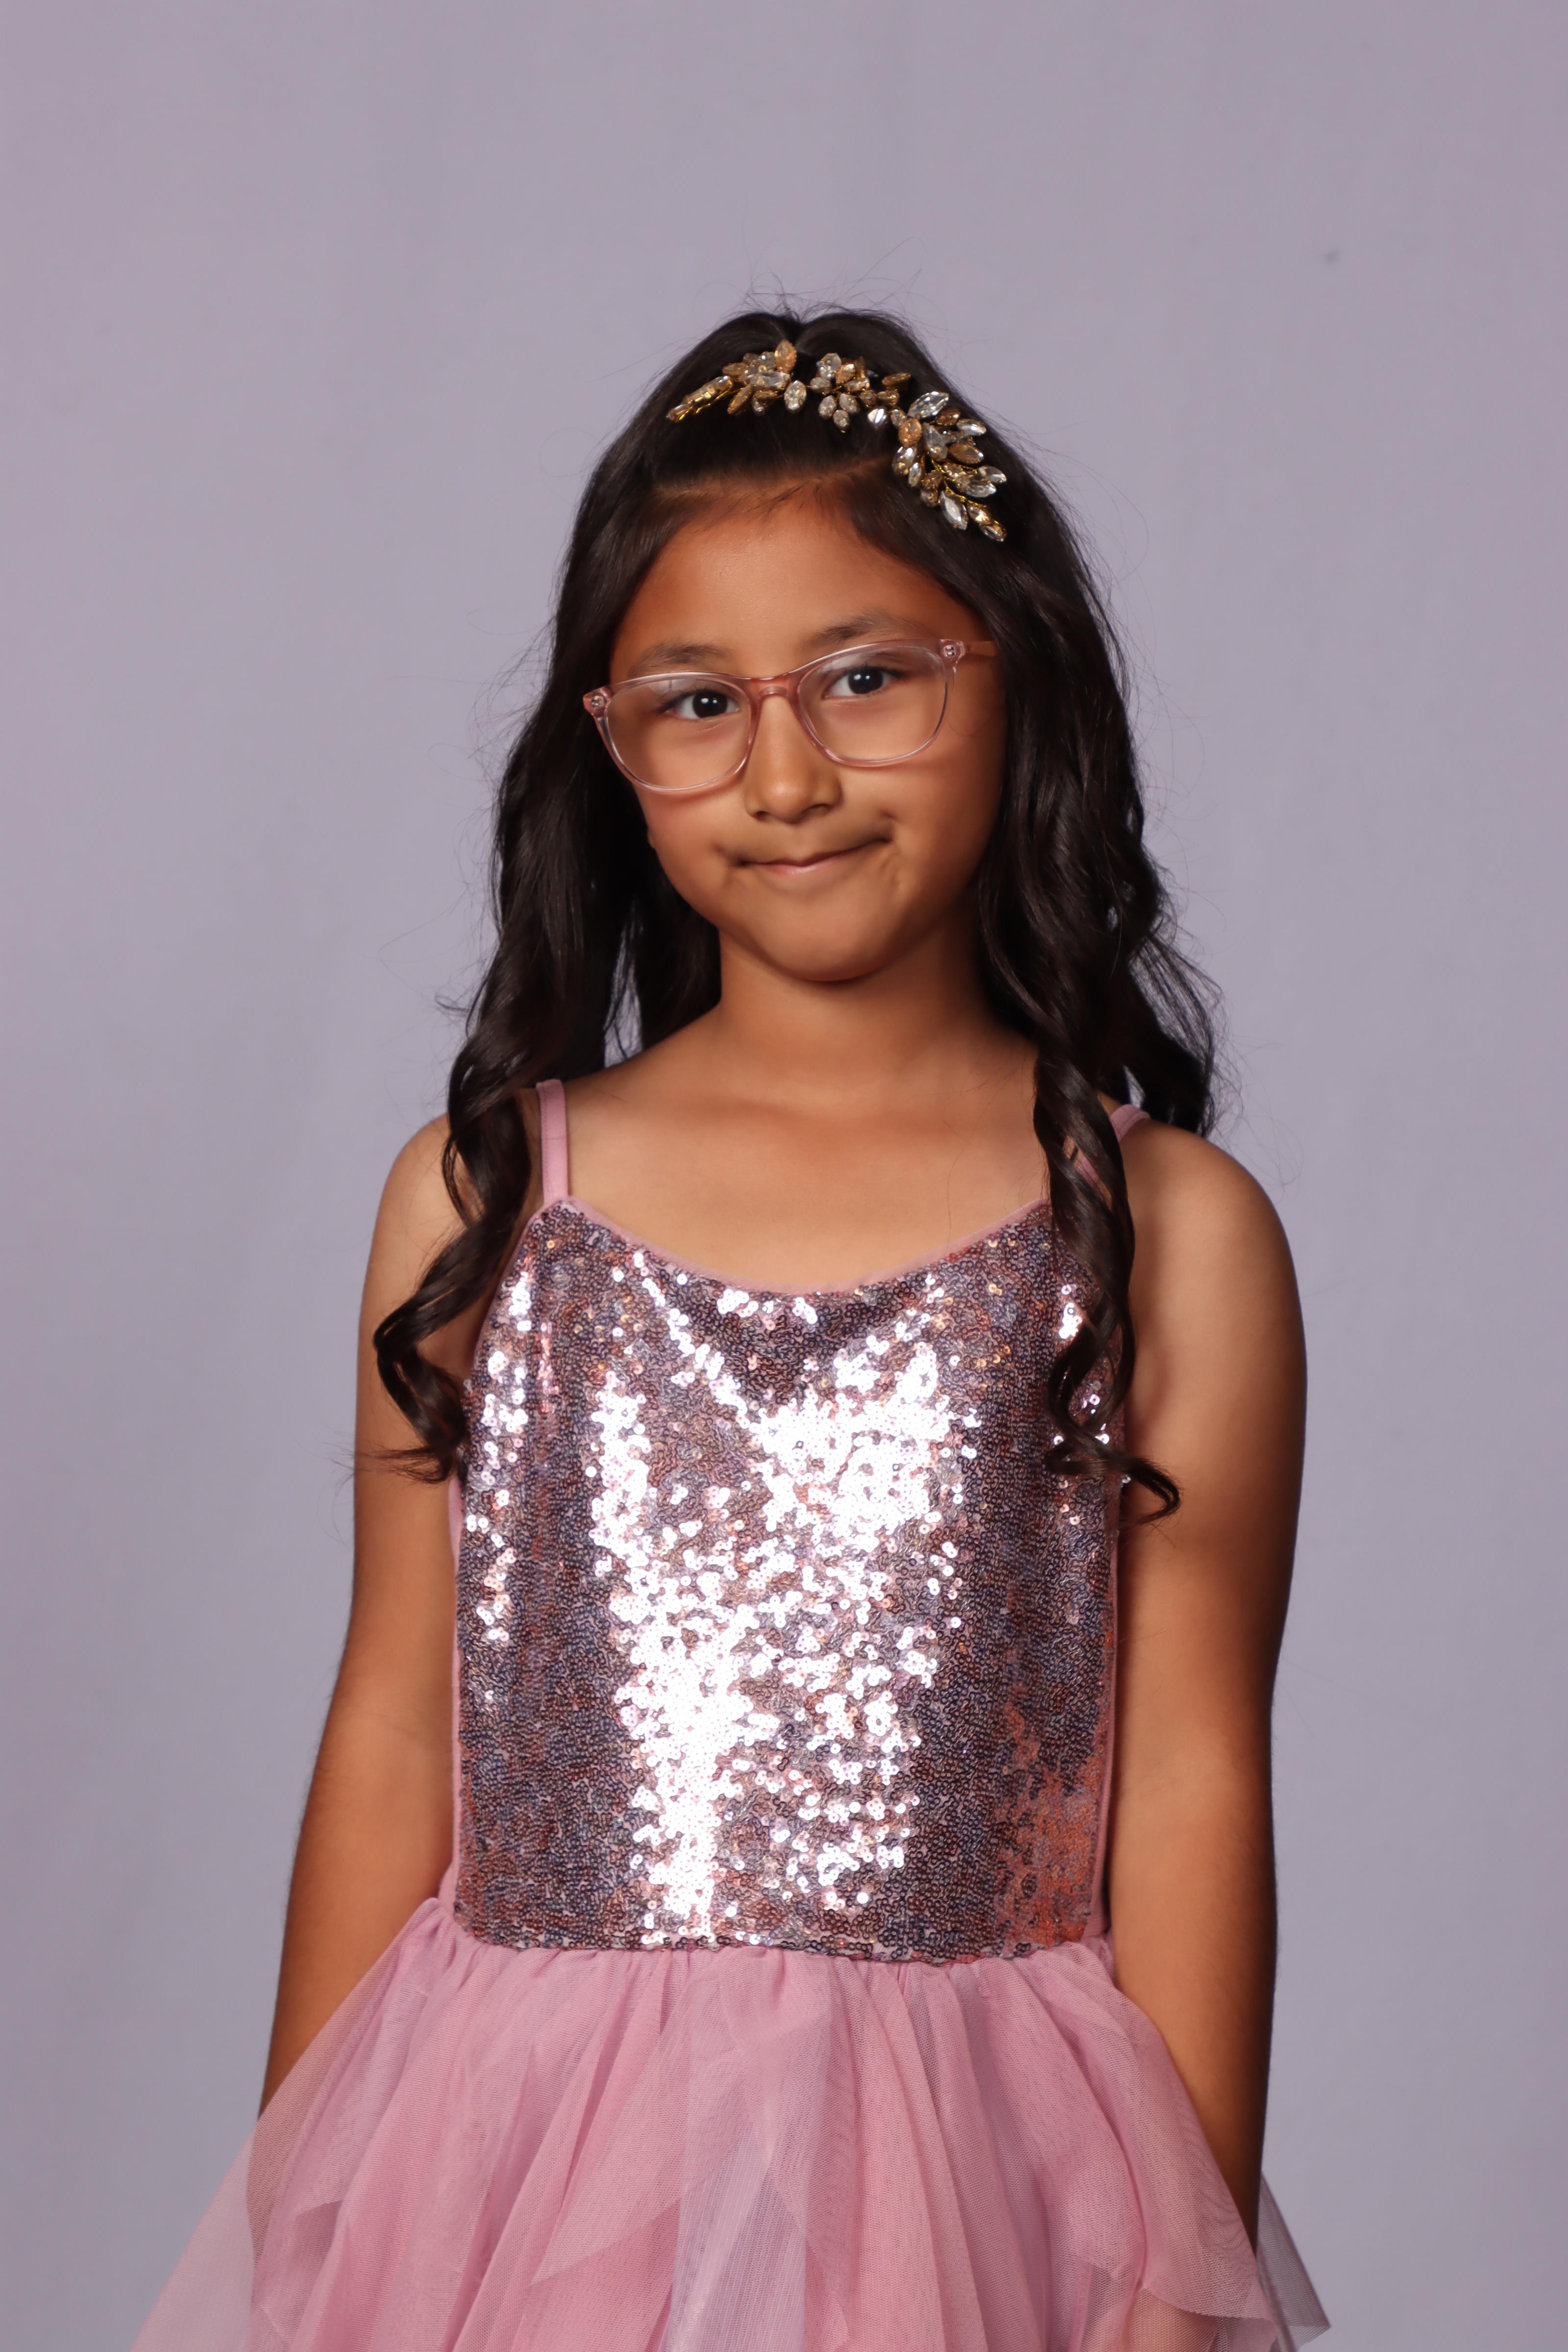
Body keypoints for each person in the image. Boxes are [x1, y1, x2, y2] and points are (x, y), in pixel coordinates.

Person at [135, 309, 1329, 2351]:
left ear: (1014, 670)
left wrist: (1173, 2289)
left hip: (971, 2181)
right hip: (517, 2171)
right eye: (698, 703)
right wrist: (303, 2231)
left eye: (866, 678)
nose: (785, 773)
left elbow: (1198, 1773)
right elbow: (394, 1726)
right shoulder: (486, 1203)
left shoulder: (1165, 1238)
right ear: (612, 746)